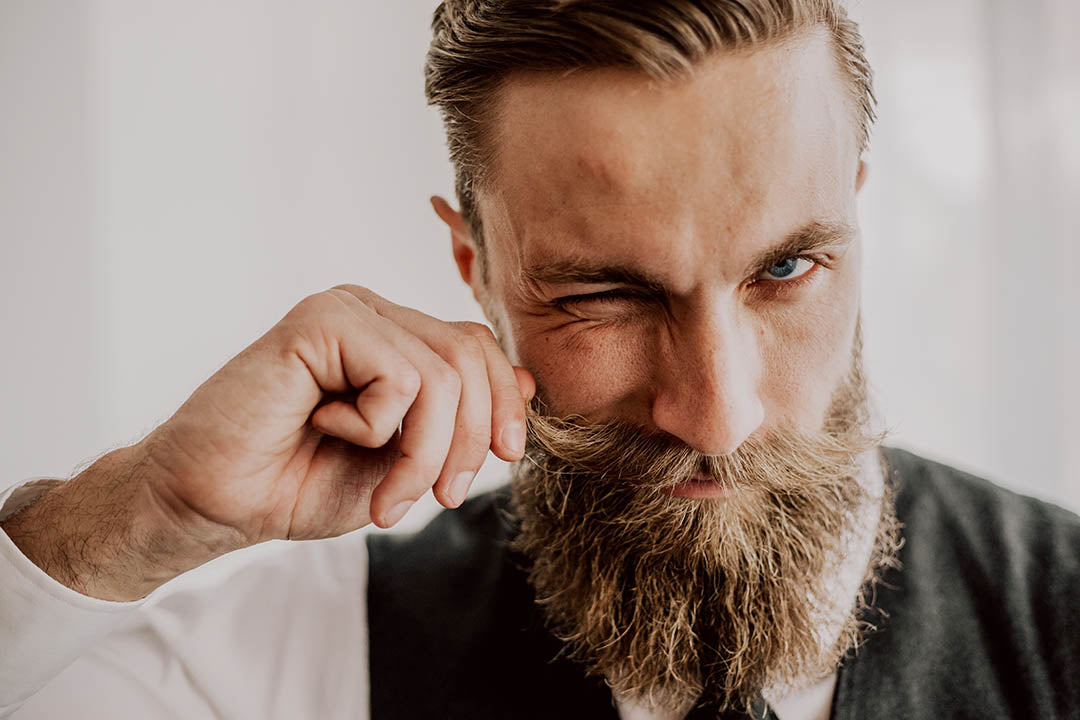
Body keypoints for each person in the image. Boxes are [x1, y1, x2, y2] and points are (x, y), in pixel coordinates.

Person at [1, 1, 1077, 718]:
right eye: (606, 294)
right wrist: (144, 515)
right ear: (473, 264)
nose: (717, 413)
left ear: (856, 210)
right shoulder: (301, 659)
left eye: (787, 267)